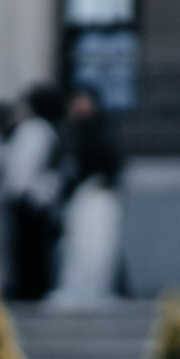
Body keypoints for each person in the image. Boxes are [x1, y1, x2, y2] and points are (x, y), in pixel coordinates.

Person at [50, 88, 126, 303]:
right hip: (79, 198)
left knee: (97, 246)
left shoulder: (101, 131)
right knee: (76, 246)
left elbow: (111, 163)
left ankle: (96, 288)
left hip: (96, 196)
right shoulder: (70, 132)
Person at [0, 83, 65, 301]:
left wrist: (16, 193)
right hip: (39, 197)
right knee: (35, 250)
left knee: (27, 250)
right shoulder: (47, 129)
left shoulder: (34, 129)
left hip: (28, 199)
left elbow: (23, 165)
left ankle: (29, 292)